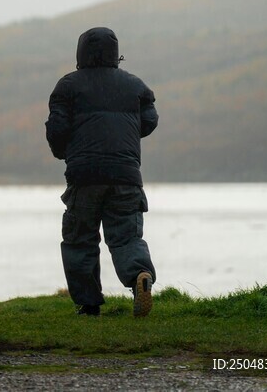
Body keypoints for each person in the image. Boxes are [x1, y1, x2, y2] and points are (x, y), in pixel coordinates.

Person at [45, 26, 159, 317]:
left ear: (81, 52)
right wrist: (124, 138)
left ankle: (89, 303)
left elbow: (57, 128)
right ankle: (139, 277)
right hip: (126, 175)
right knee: (126, 237)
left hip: (84, 176)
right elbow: (150, 120)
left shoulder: (68, 86)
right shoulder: (135, 85)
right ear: (115, 54)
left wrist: (65, 153)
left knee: (80, 238)